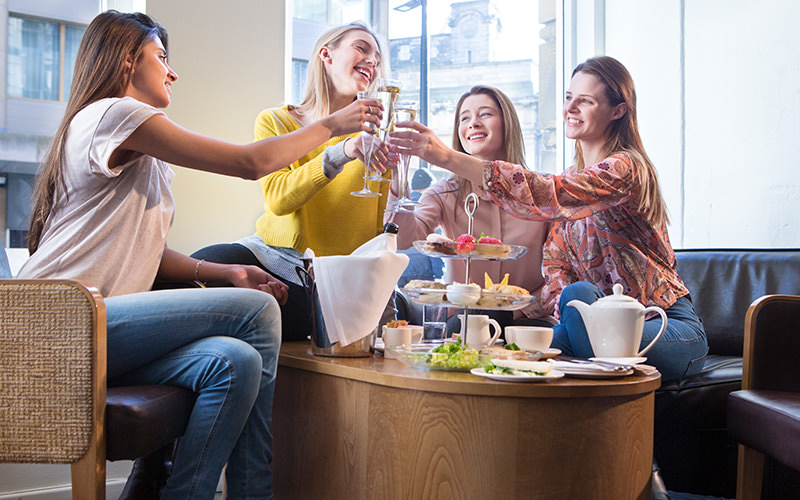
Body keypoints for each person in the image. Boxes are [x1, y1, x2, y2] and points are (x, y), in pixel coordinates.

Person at [16, 11, 380, 500]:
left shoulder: (133, 144)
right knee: (258, 311)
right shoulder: (113, 114)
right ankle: (255, 493)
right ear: (126, 61)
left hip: (103, 324)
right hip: (60, 321)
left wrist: (225, 270)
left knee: (235, 363)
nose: (172, 71)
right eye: (161, 57)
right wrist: (333, 126)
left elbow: (146, 248)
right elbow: (249, 164)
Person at [390, 56, 707, 381]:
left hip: (664, 322)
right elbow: (556, 267)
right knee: (568, 301)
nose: (570, 108)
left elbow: (553, 193)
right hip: (591, 319)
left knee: (522, 346)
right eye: (569, 98)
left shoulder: (626, 169)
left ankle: (572, 356)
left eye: (585, 101)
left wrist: (443, 156)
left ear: (617, 111)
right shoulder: (567, 180)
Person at [192, 22, 395, 341]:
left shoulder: (376, 137)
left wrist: (401, 181)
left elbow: (380, 225)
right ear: (326, 54)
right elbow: (279, 199)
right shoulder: (276, 121)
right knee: (190, 274)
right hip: (270, 257)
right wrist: (340, 152)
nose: (372, 60)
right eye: (361, 48)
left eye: (377, 57)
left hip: (329, 281)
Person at [386, 85, 553, 333]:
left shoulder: (540, 191)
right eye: (465, 118)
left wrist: (517, 308)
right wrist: (398, 181)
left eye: (485, 114)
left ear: (507, 124)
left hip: (528, 321)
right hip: (463, 318)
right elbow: (403, 240)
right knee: (472, 318)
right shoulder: (444, 193)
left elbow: (559, 274)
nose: (473, 123)